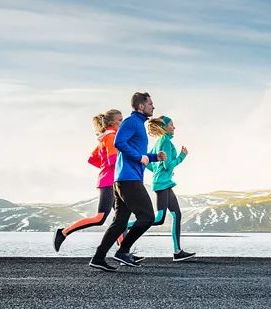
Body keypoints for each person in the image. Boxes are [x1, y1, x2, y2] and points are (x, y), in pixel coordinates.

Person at [89, 92, 166, 272]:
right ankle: (123, 251)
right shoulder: (131, 122)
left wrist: (154, 157)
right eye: (150, 104)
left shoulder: (138, 123)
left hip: (126, 178)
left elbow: (134, 150)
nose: (153, 107)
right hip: (128, 179)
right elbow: (119, 143)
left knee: (120, 222)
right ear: (141, 106)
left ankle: (98, 258)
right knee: (147, 217)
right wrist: (140, 157)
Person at [123, 115, 195, 261]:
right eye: (171, 125)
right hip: (162, 185)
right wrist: (182, 156)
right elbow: (167, 164)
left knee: (176, 214)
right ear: (165, 127)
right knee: (159, 219)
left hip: (164, 183)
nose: (174, 127)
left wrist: (161, 172)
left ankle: (177, 251)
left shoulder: (159, 142)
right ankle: (123, 225)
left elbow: (149, 163)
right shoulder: (165, 142)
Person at [53, 109, 122, 252]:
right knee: (100, 218)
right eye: (120, 121)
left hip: (111, 181)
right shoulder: (111, 137)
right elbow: (113, 159)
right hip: (109, 182)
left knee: (121, 218)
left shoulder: (105, 138)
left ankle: (123, 251)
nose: (122, 123)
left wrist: (104, 167)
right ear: (111, 123)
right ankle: (63, 232)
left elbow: (92, 159)